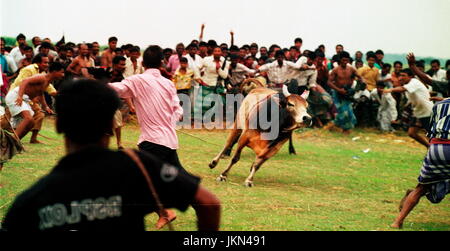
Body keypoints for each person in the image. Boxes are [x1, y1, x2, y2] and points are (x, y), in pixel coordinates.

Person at [2, 79, 221, 231]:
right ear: (111, 123)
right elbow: (208, 203)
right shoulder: (139, 167)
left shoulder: (29, 203)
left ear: (58, 124)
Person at [109, 45, 194, 229]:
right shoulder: (168, 83)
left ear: (143, 62)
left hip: (153, 142)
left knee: (142, 182)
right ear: (162, 62)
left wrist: (91, 84)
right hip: (169, 141)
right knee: (175, 178)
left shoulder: (138, 80)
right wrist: (170, 123)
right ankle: (184, 206)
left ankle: (165, 212)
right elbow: (178, 109)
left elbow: (117, 89)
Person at [391, 96, 450, 229]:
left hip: (437, 147)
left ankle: (397, 222)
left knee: (421, 187)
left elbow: (431, 132)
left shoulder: (439, 105)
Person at [5, 62, 64, 143]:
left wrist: (45, 106)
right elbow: (24, 81)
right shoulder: (42, 77)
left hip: (24, 99)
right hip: (16, 96)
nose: (63, 75)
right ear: (54, 71)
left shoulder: (47, 82)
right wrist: (20, 96)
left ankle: (16, 142)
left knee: (31, 123)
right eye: (61, 72)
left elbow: (40, 93)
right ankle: (11, 142)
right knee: (28, 118)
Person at [383, 67, 433, 148]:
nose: (401, 77)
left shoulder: (414, 82)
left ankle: (434, 150)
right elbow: (410, 100)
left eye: (404, 75)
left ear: (410, 77)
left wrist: (391, 90)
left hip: (427, 111)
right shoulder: (408, 85)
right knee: (412, 133)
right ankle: (429, 147)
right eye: (400, 75)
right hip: (418, 111)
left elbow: (402, 89)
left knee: (431, 135)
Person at [327, 51, 359, 134]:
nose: (345, 62)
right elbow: (329, 82)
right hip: (337, 93)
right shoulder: (335, 70)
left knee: (348, 112)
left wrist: (361, 84)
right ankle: (337, 127)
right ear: (340, 60)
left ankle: (341, 128)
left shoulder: (351, 69)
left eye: (346, 60)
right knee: (342, 112)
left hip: (347, 93)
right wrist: (339, 90)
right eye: (343, 60)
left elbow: (360, 77)